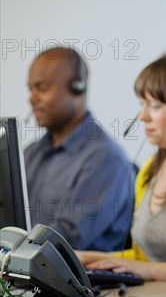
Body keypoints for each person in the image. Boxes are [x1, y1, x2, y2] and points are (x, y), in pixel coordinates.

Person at [77, 52, 166, 285]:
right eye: (141, 104)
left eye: (154, 106)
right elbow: (140, 258)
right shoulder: (149, 171)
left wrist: (143, 269)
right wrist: (83, 257)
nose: (142, 116)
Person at [25, 46, 135, 251]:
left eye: (41, 88)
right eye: (30, 89)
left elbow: (64, 240)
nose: (31, 98)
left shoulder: (105, 159)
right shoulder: (30, 153)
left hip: (79, 281)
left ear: (77, 87)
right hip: (23, 275)